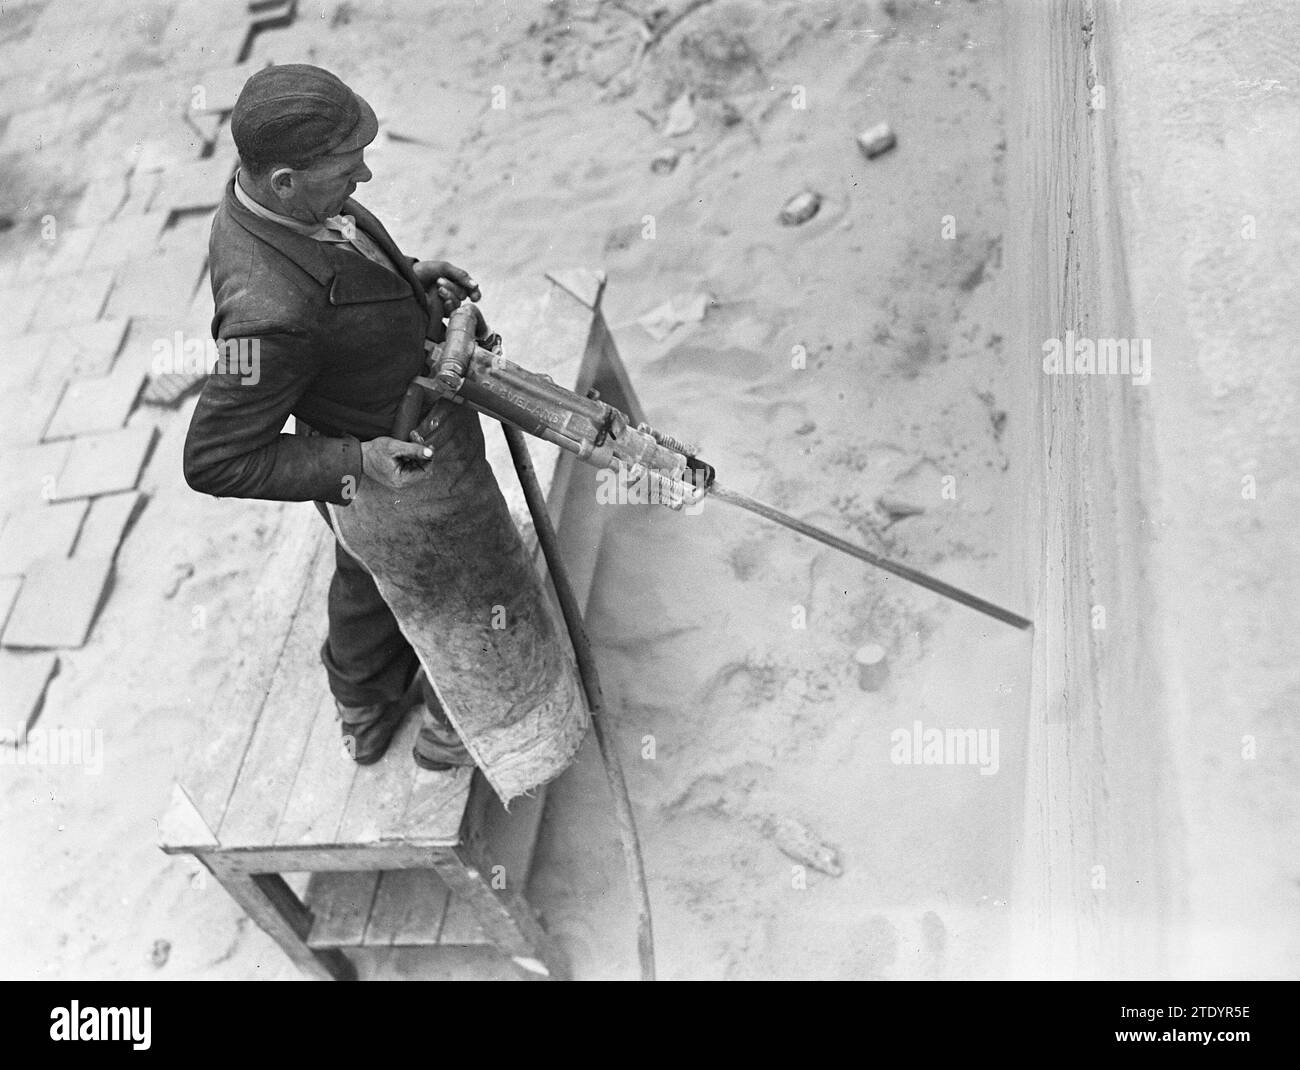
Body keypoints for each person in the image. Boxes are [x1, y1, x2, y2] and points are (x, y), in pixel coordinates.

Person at [183, 63, 480, 771]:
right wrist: (358, 461)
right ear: (285, 181)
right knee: (457, 587)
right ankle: (449, 729)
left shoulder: (271, 202)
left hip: (382, 426)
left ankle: (363, 700)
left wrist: (408, 281)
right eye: (349, 168)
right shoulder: (265, 321)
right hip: (389, 464)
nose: (366, 177)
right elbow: (215, 458)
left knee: (368, 571)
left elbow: (340, 271)